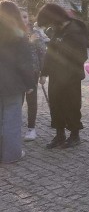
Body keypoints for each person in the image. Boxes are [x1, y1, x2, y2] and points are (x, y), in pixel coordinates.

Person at [36, 3, 88, 149]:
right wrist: (44, 73)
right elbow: (50, 54)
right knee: (56, 105)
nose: (49, 25)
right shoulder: (58, 30)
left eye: (50, 22)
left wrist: (65, 72)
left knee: (71, 105)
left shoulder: (75, 30)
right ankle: (59, 135)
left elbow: (81, 56)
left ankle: (74, 135)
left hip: (71, 77)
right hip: (56, 76)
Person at [0, 1, 37, 163]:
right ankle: (11, 155)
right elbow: (25, 63)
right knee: (12, 120)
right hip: (12, 84)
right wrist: (30, 84)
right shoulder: (19, 35)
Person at [20, 9, 47, 142]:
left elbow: (42, 54)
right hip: (16, 73)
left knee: (31, 100)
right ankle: (13, 126)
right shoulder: (12, 34)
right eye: (20, 17)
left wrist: (43, 73)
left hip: (32, 72)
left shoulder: (35, 33)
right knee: (16, 101)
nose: (23, 19)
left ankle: (31, 129)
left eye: (25, 17)